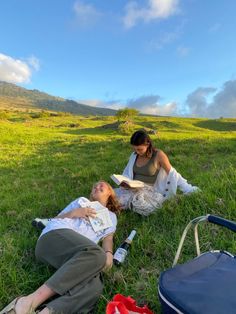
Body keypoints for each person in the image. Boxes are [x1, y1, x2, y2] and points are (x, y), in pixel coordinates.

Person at [1, 181, 121, 314]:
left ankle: (47, 312)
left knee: (95, 287)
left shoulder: (112, 217)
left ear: (110, 192)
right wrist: (76, 212)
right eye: (94, 186)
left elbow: (108, 238)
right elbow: (56, 218)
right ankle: (27, 302)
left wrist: (109, 253)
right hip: (54, 237)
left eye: (101, 185)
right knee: (97, 254)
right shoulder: (82, 201)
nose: (96, 187)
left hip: (77, 255)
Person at [115, 129, 199, 215]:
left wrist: (187, 188)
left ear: (147, 144)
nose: (136, 152)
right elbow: (127, 172)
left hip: (148, 191)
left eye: (140, 149)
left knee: (138, 203)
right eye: (134, 149)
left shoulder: (158, 155)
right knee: (110, 195)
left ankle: (120, 206)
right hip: (132, 187)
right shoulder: (134, 155)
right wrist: (124, 182)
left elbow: (173, 174)